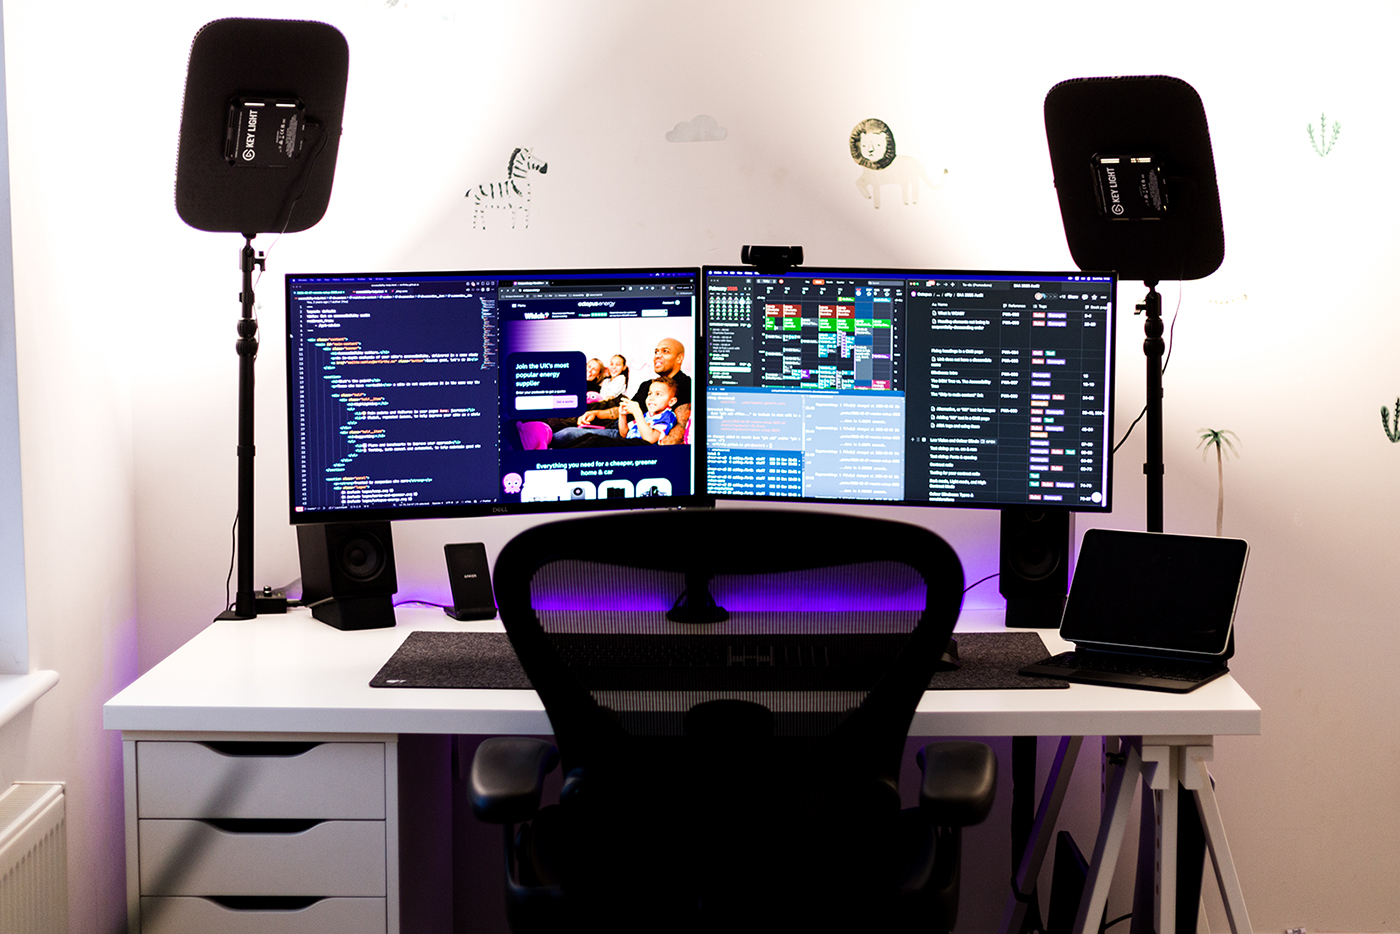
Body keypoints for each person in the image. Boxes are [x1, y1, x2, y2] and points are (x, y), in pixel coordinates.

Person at [553, 338, 691, 447]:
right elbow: (626, 409)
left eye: (665, 351)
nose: (657, 356)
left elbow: (680, 426)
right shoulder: (648, 384)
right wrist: (597, 414)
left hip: (625, 434)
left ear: (679, 358)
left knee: (565, 435)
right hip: (622, 425)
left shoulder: (683, 384)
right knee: (570, 417)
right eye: (656, 352)